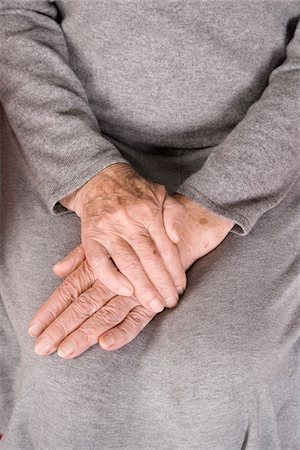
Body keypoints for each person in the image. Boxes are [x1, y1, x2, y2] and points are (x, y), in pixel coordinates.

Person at [0, 1, 299, 448]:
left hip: (271, 136)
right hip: (65, 130)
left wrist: (215, 203)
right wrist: (87, 176)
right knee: (66, 376)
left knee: (225, 374)